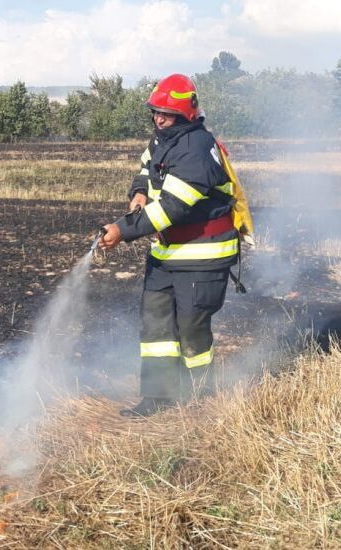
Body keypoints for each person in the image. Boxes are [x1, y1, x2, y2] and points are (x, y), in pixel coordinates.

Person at [98, 74, 242, 417]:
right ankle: (158, 398)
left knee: (191, 328)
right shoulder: (163, 138)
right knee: (157, 328)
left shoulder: (196, 149)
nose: (158, 119)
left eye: (167, 114)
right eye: (155, 112)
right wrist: (138, 193)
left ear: (187, 115)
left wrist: (122, 229)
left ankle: (201, 397)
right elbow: (147, 171)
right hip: (165, 255)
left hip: (202, 255)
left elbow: (173, 208)